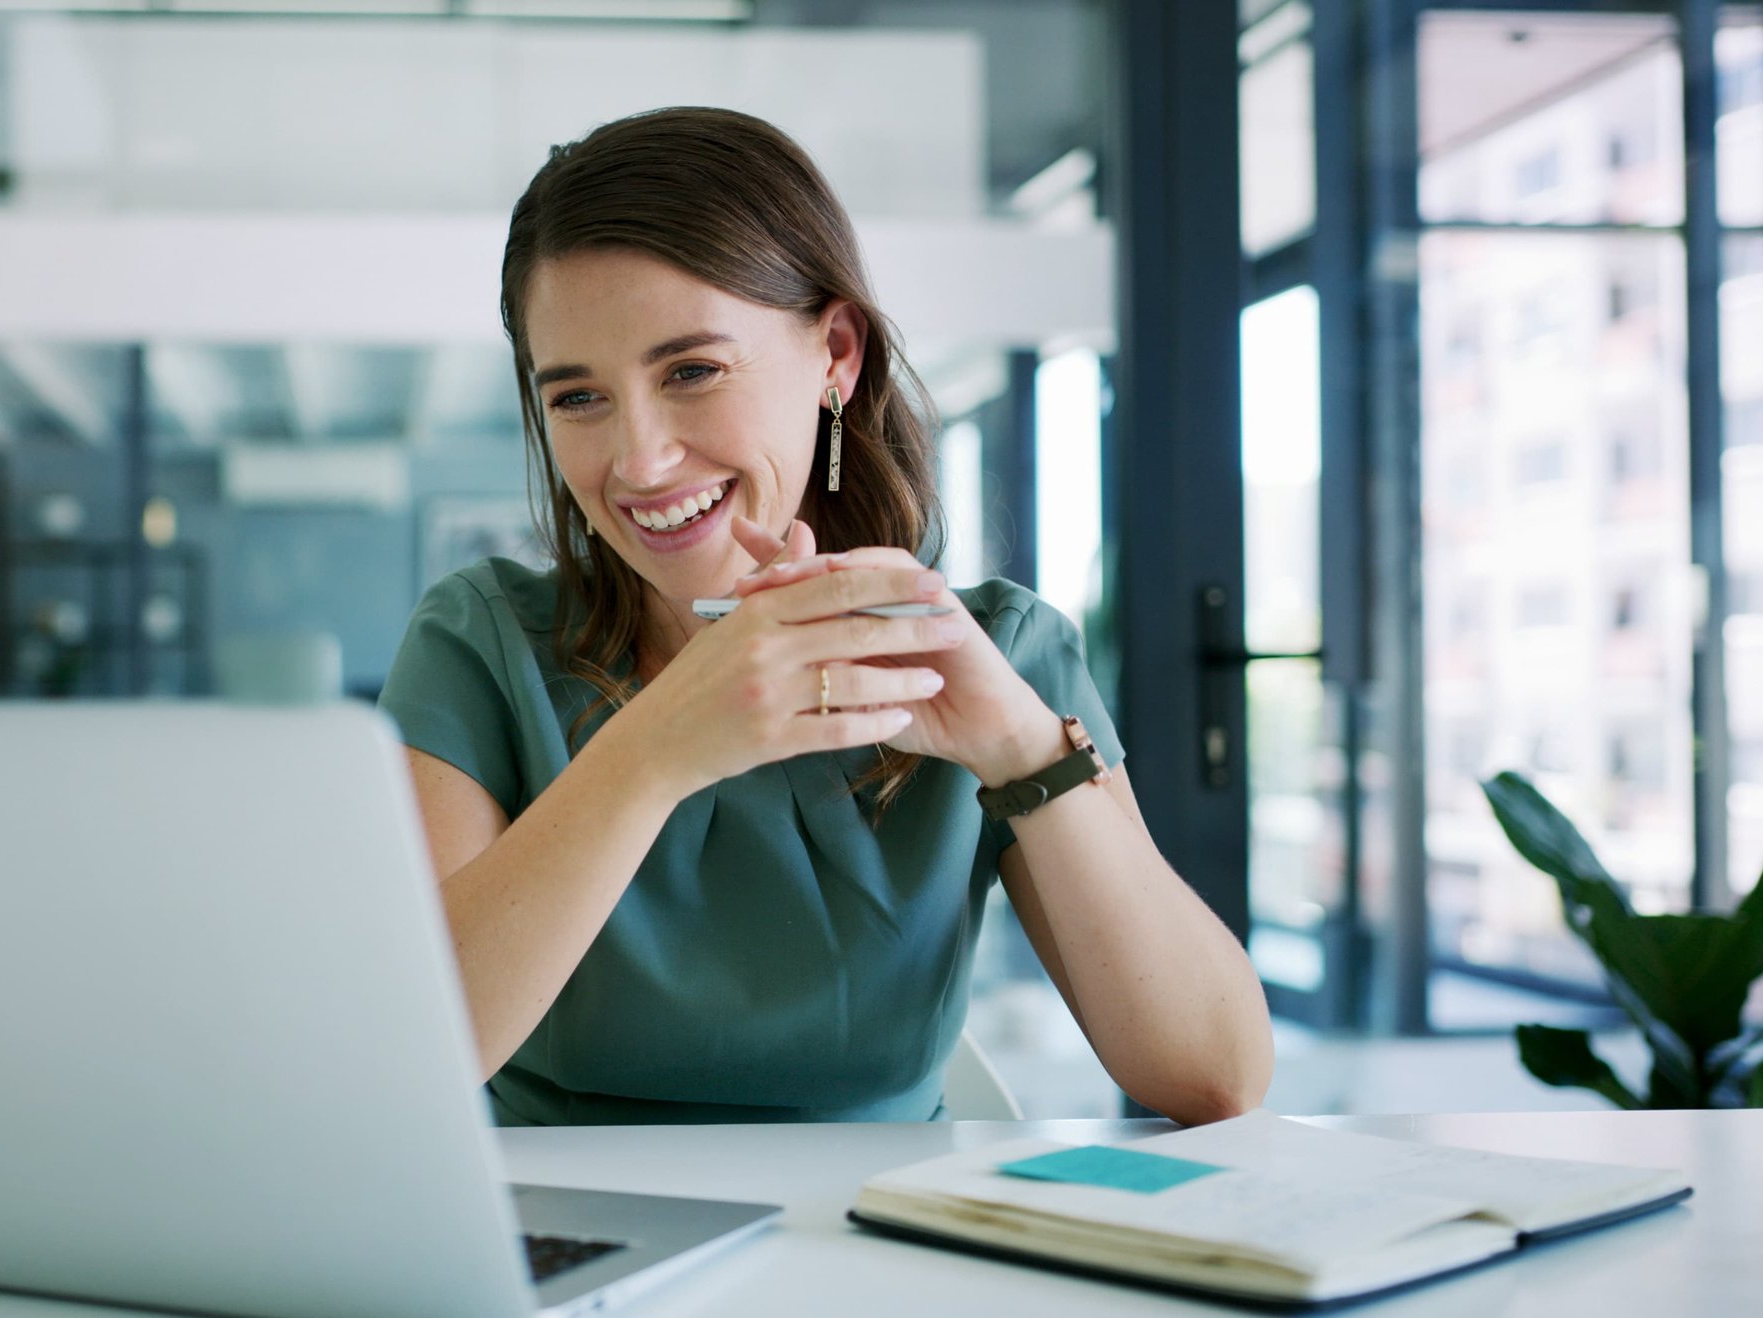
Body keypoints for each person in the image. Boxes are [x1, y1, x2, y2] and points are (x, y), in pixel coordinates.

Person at [377, 106, 1271, 1127]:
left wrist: (1022, 751)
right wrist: (660, 748)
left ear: (835, 355)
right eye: (578, 398)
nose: (636, 461)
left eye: (692, 371)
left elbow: (1214, 1078)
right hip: (561, 1253)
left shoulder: (998, 654)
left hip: (880, 1248)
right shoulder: (482, 642)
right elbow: (409, 1057)